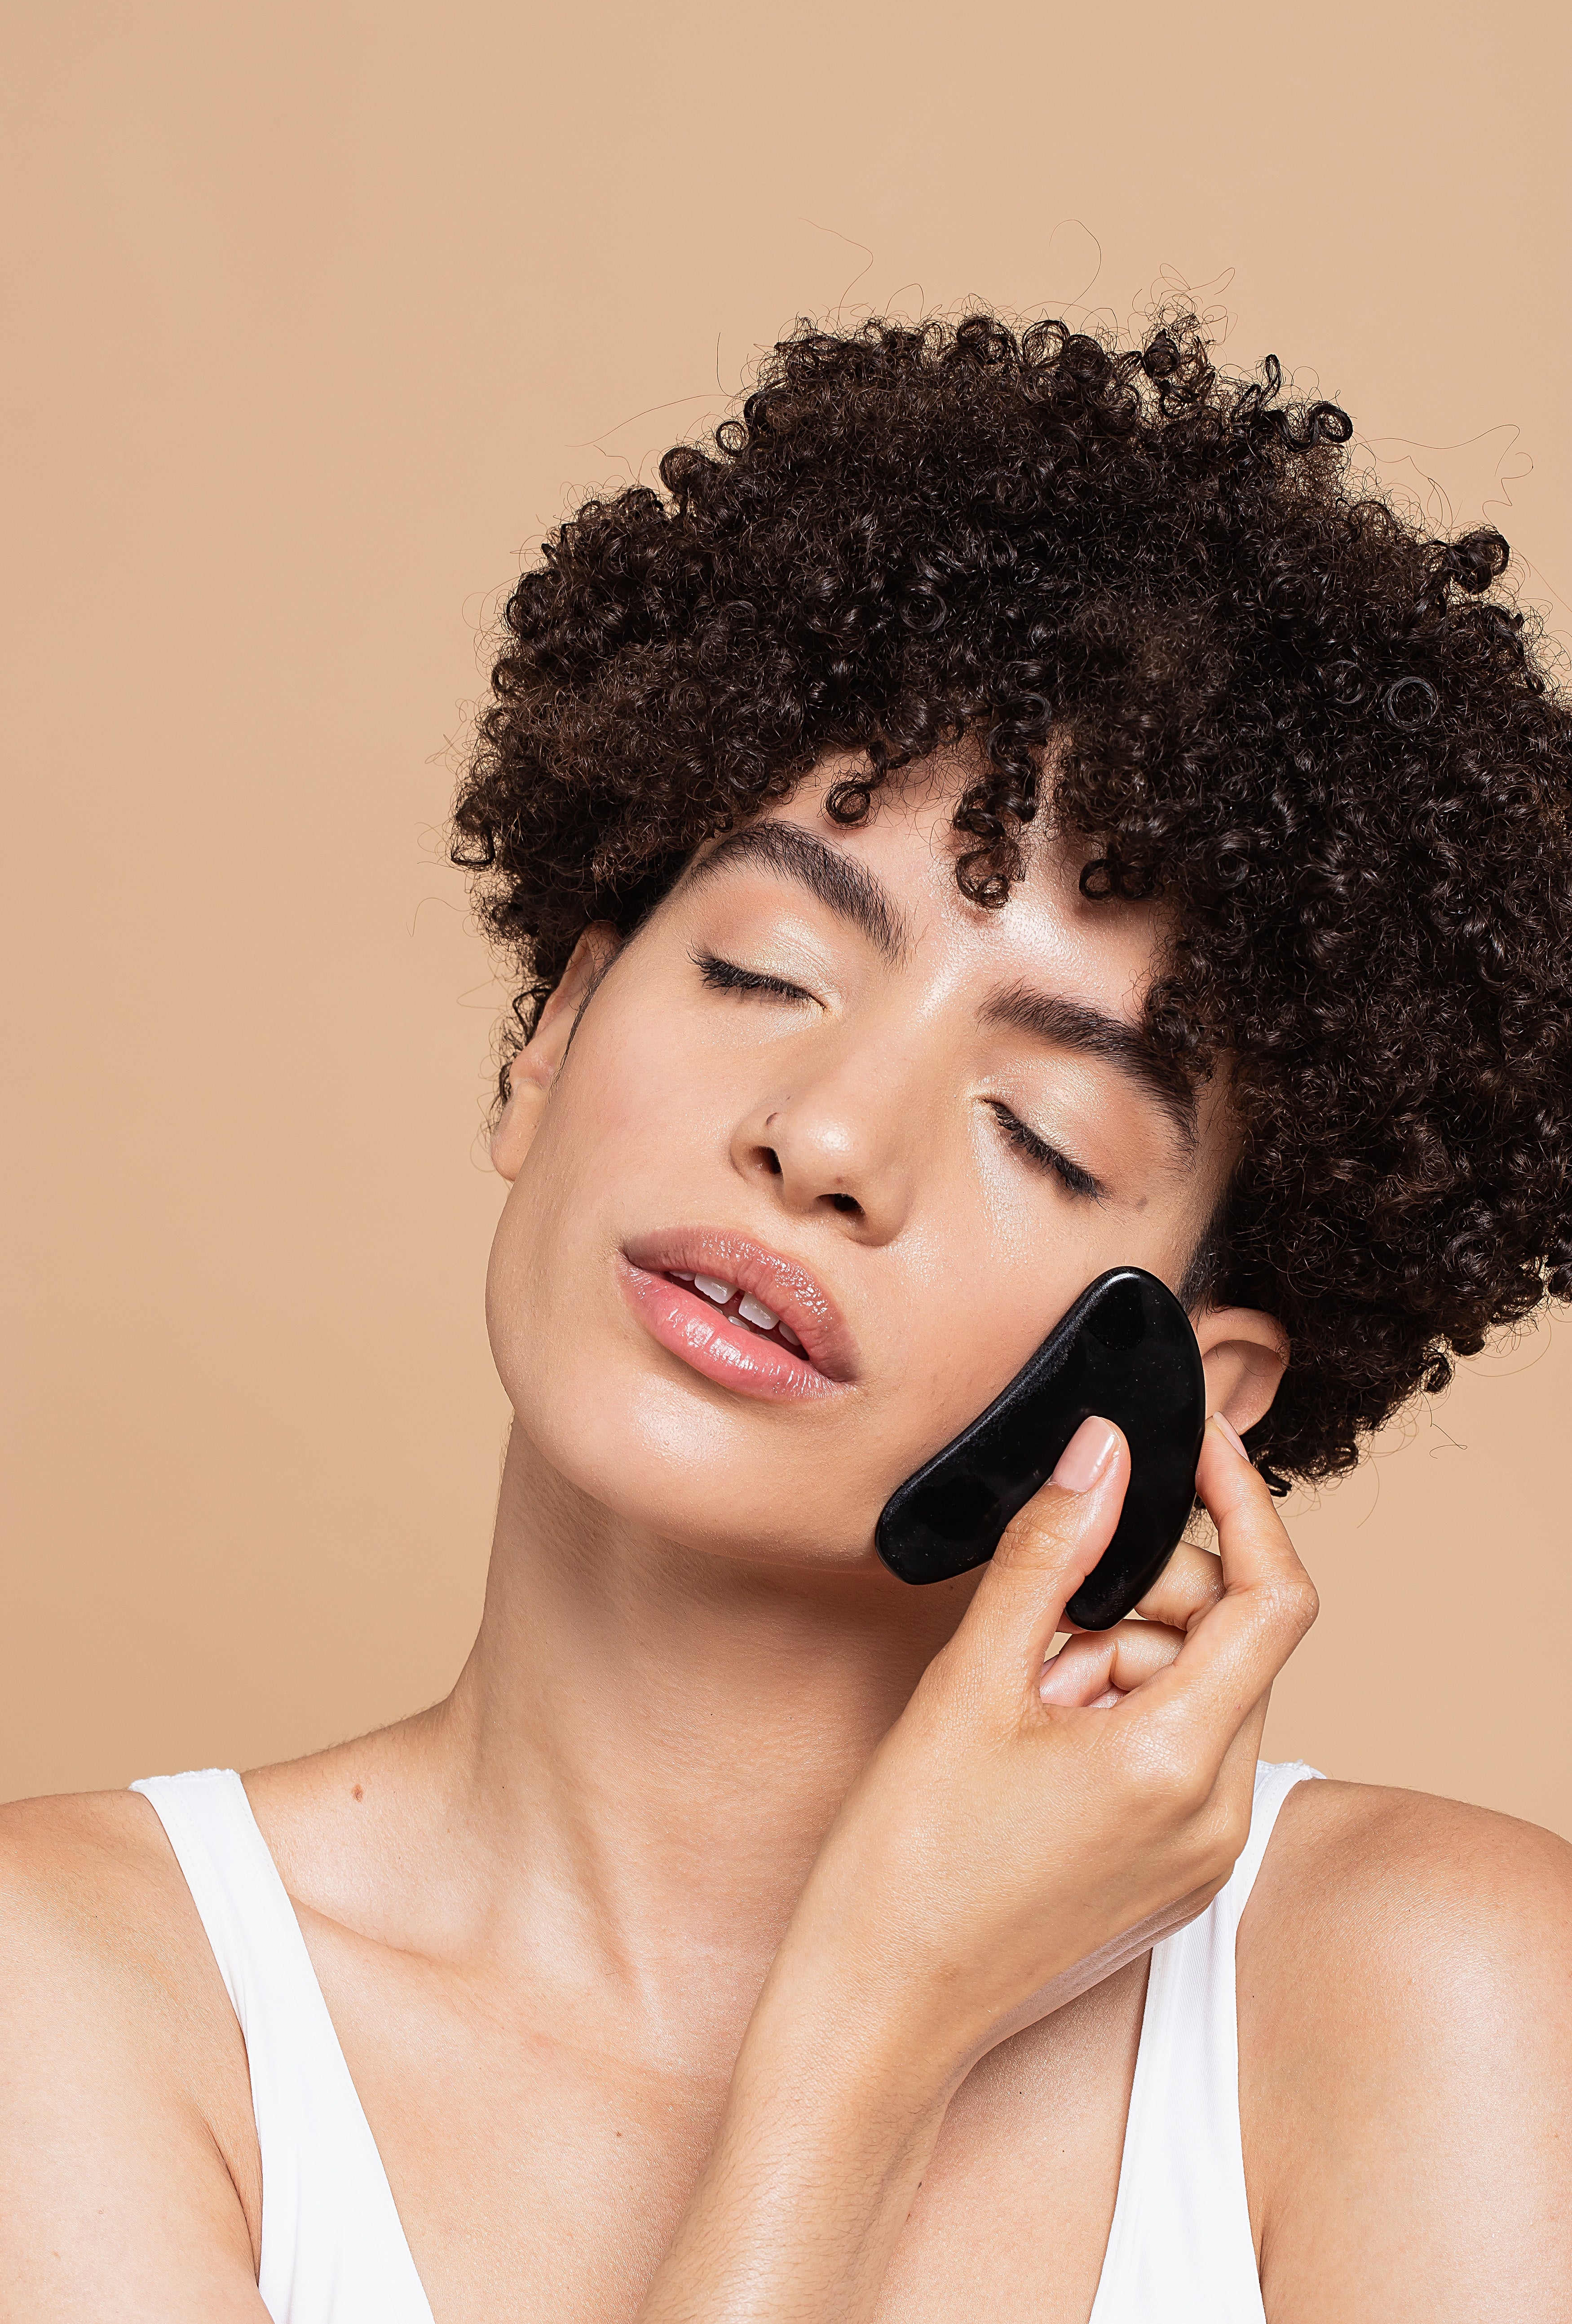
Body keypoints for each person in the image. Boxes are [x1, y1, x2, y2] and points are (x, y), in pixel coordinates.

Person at [3, 312, 1569, 2323]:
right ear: (555, 1035)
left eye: (1040, 1126)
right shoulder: (71, 1996)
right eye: (760, 971)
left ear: (1188, 1384)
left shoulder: (1436, 2003)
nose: (823, 1137)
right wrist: (867, 2036)